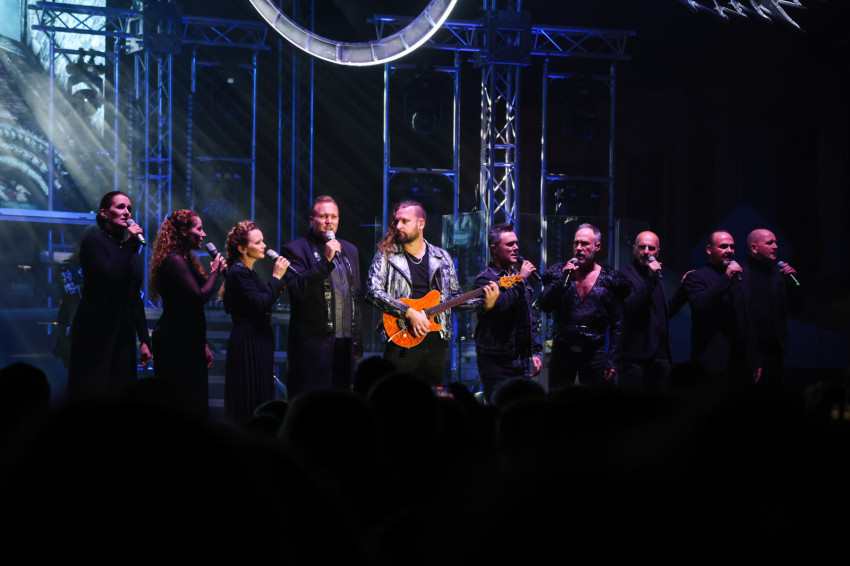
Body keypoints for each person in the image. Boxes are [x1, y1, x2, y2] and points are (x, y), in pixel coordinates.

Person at [366, 201, 499, 386]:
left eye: (404, 221)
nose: (398, 226)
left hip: (436, 343)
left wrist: (483, 304)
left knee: (432, 397)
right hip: (401, 338)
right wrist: (408, 312)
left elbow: (454, 299)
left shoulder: (442, 257)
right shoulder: (386, 254)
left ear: (421, 223)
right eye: (396, 221)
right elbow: (372, 291)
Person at [67, 191, 151, 400]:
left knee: (121, 391)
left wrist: (144, 338)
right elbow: (111, 276)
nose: (127, 212)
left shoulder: (130, 249)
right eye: (120, 207)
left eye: (129, 208)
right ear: (104, 213)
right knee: (95, 389)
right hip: (97, 328)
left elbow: (134, 294)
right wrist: (129, 245)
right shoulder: (93, 243)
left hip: (124, 328)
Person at [281, 196, 362, 399]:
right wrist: (326, 259)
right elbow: (298, 290)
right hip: (313, 346)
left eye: (334, 216)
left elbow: (356, 297)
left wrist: (357, 342)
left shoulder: (350, 250)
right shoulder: (295, 249)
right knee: (312, 403)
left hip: (344, 344)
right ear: (311, 220)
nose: (329, 221)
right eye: (323, 216)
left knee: (342, 401)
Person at [148, 210, 227, 415]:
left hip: (188, 338)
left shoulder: (186, 260)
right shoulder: (174, 260)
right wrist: (215, 272)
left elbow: (191, 307)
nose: (204, 234)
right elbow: (198, 297)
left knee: (193, 400)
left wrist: (203, 343)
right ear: (184, 231)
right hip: (175, 340)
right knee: (180, 401)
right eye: (199, 229)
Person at [537, 223, 628, 390]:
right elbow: (544, 305)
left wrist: (613, 359)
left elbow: (617, 323)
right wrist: (562, 281)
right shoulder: (559, 273)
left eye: (584, 243)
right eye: (576, 243)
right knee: (559, 399)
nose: (579, 248)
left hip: (595, 353)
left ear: (597, 247)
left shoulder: (609, 279)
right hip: (562, 351)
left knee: (594, 402)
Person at [221, 220, 290, 424]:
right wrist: (276, 277)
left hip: (256, 339)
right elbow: (260, 304)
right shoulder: (238, 272)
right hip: (248, 341)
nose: (264, 246)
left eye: (262, 241)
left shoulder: (247, 271)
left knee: (258, 393)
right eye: (258, 242)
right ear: (243, 249)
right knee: (248, 396)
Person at [473, 223, 542, 403]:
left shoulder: (517, 277)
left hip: (521, 360)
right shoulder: (485, 279)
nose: (516, 248)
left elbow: (528, 316)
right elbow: (501, 307)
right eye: (510, 244)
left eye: (516, 243)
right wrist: (521, 279)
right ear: (494, 248)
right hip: (496, 360)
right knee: (497, 408)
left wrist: (535, 351)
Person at [682, 230, 760, 382]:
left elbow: (748, 319)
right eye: (723, 246)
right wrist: (726, 277)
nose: (729, 251)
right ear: (709, 249)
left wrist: (754, 358)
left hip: (740, 361)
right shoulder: (696, 277)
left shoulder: (740, 277)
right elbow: (700, 304)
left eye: (732, 247)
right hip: (711, 360)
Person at [744, 228, 803, 389]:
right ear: (754, 248)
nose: (776, 246)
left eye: (776, 242)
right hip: (747, 351)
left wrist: (792, 284)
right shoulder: (740, 274)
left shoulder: (780, 275)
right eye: (770, 243)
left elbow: (797, 309)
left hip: (774, 352)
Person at [618, 231, 671, 393]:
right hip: (635, 359)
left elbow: (663, 311)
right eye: (642, 247)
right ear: (634, 249)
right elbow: (631, 308)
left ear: (657, 252)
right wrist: (650, 279)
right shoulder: (624, 275)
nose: (646, 251)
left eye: (651, 248)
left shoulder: (658, 275)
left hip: (660, 357)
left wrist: (685, 289)